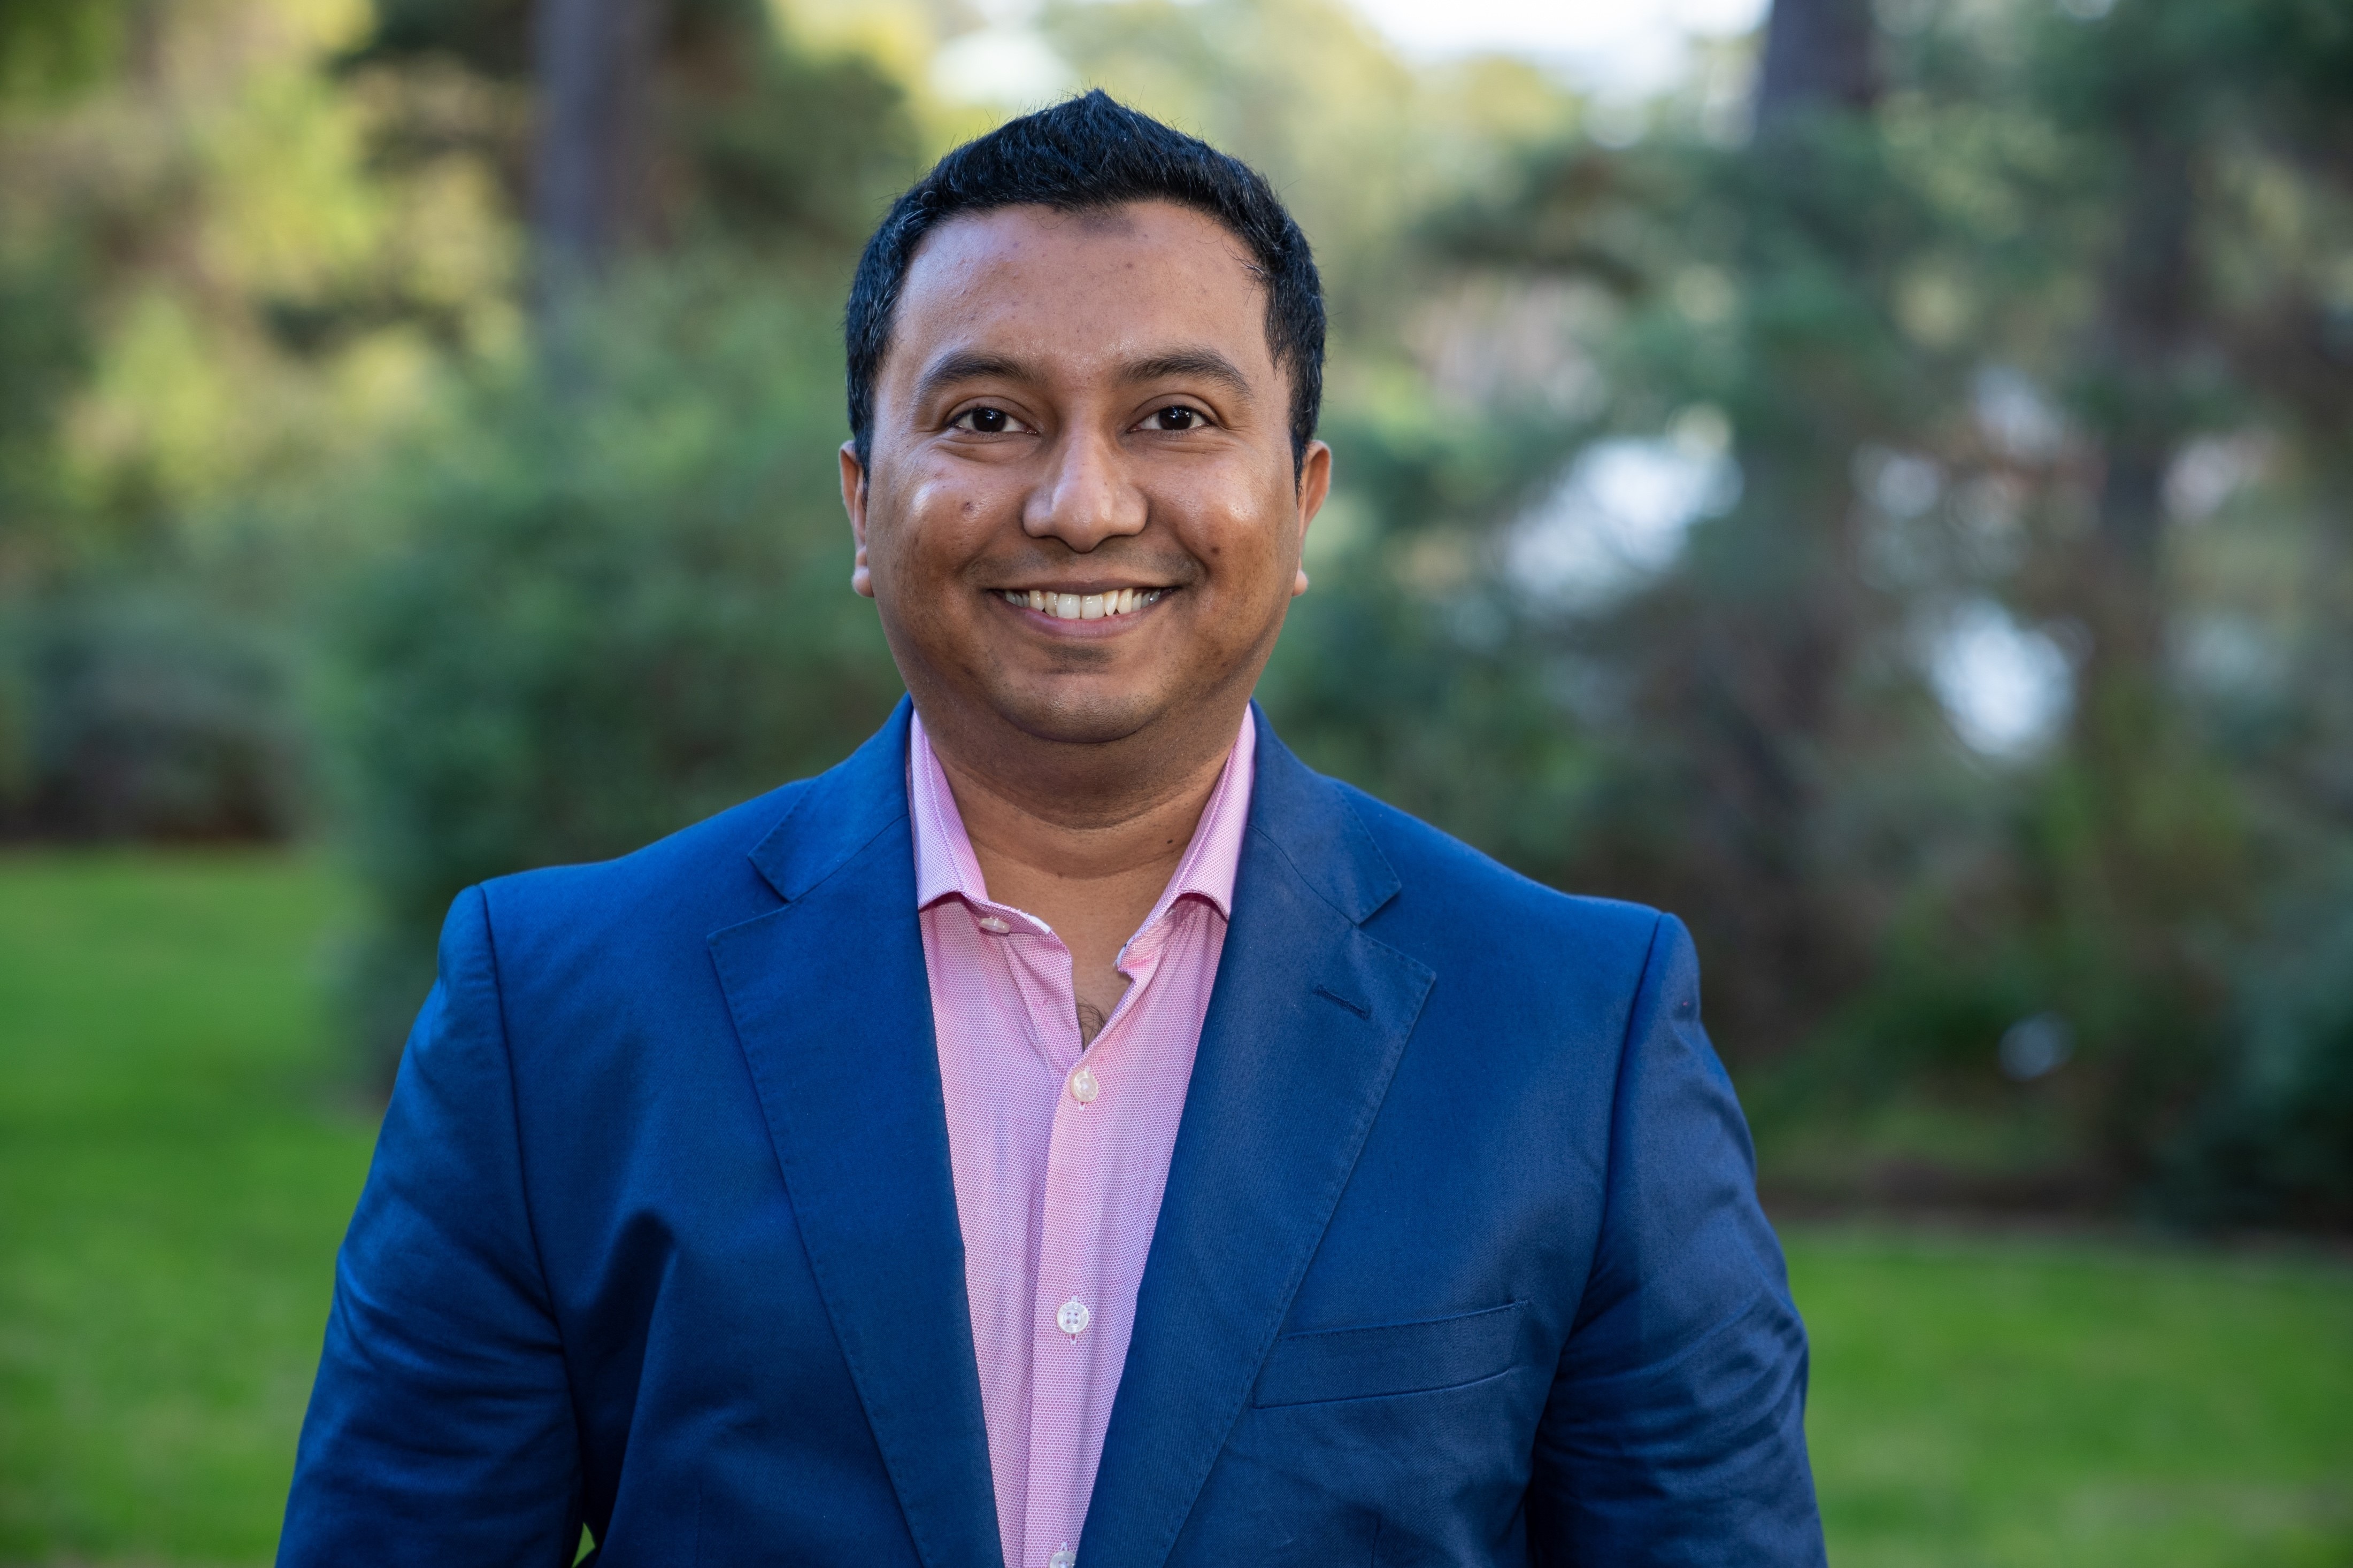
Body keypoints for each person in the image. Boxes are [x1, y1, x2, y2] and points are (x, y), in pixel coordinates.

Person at [279, 92, 1824, 1568]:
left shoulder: (1575, 1028)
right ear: (861, 505)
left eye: (1173, 414)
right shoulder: (555, 1008)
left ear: (1301, 501)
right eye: (990, 416)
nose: (1083, 504)